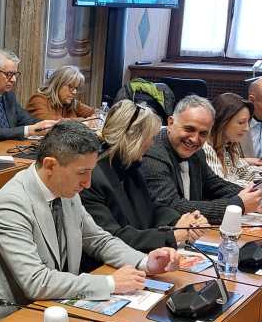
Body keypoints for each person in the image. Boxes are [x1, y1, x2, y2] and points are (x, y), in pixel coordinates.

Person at [0, 121, 177, 322]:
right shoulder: (11, 204)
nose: (88, 183)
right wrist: (110, 283)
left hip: (53, 312)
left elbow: (98, 239)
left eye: (91, 171)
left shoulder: (66, 192)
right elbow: (36, 282)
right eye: (82, 172)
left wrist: (144, 262)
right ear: (50, 165)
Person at [82, 101, 208, 254]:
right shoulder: (91, 178)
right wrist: (173, 236)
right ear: (134, 138)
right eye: (150, 137)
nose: (151, 144)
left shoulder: (130, 165)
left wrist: (181, 221)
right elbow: (112, 238)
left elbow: (153, 208)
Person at [142, 95, 262, 225]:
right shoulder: (152, 152)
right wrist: (237, 205)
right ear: (171, 123)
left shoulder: (197, 151)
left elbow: (215, 184)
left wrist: (256, 197)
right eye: (189, 129)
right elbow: (172, 206)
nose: (194, 139)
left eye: (203, 133)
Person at [202, 93, 260, 188]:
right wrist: (260, 186)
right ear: (222, 121)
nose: (247, 128)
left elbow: (243, 171)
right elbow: (222, 186)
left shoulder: (229, 144)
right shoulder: (206, 148)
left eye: (247, 122)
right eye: (241, 122)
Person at [26, 65, 96, 122]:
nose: (75, 92)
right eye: (70, 87)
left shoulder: (73, 103)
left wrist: (95, 118)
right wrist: (82, 122)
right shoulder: (38, 100)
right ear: (57, 84)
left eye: (76, 88)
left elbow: (95, 113)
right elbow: (46, 122)